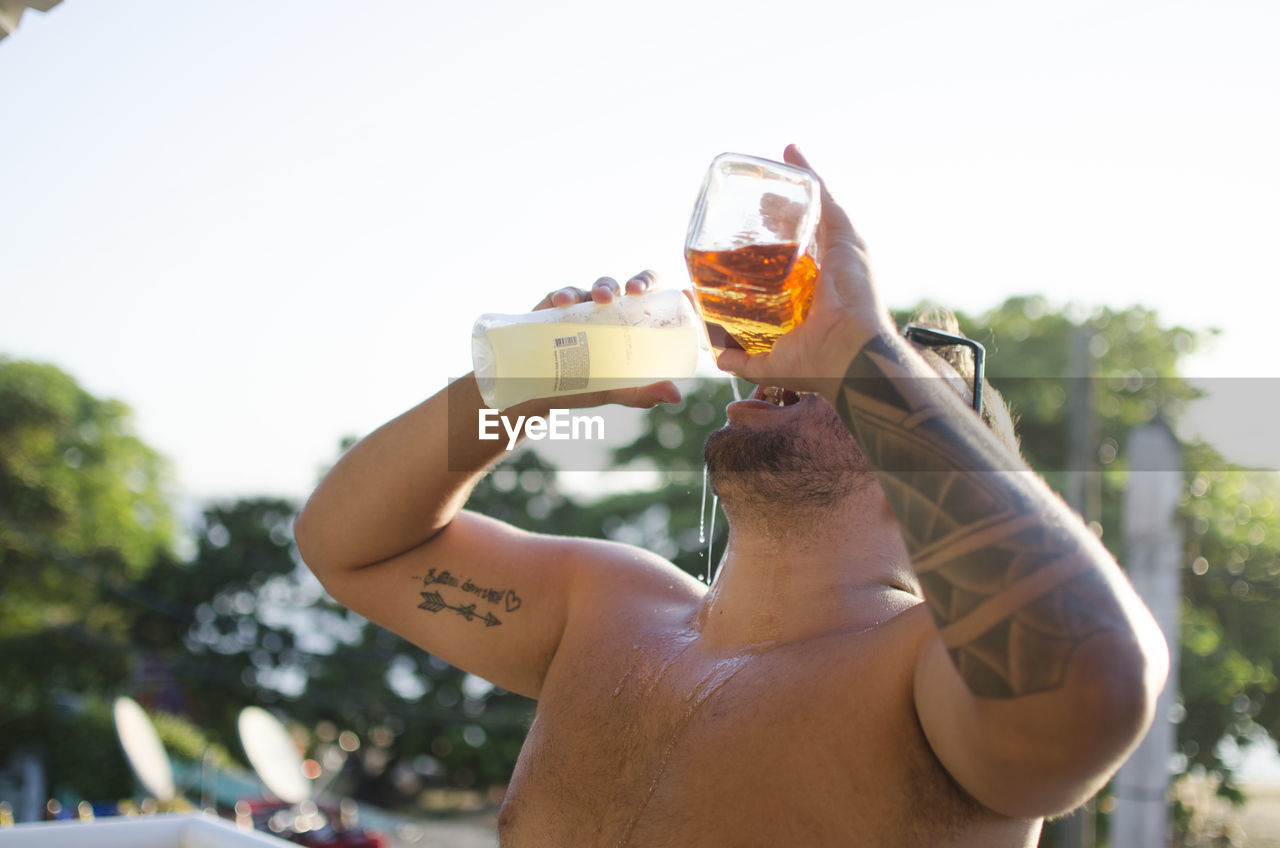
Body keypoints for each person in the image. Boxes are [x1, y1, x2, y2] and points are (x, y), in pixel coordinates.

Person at [294, 146, 1169, 847]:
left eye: (887, 386)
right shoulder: (608, 606)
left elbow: (1093, 678)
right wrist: (511, 394)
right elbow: (350, 545)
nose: (805, 355)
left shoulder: (929, 679)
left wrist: (862, 349)